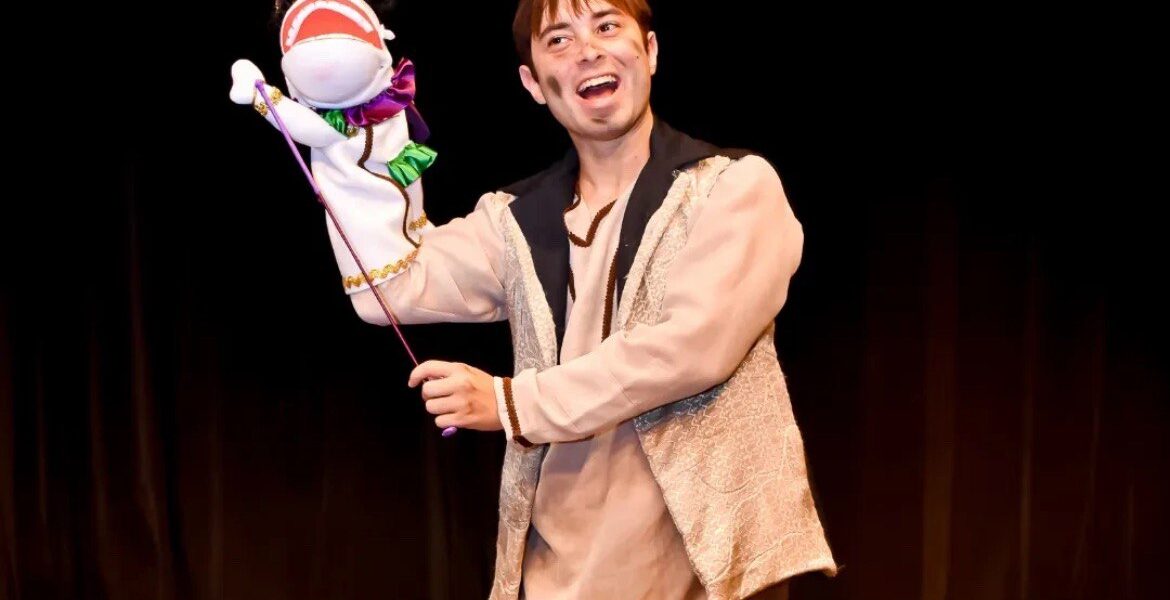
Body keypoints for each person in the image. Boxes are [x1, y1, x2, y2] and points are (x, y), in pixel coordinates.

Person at [325, 1, 836, 597]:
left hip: (702, 576)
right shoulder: (513, 221)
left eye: (607, 26)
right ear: (533, 82)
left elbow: (691, 348)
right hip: (557, 576)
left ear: (650, 51)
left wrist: (511, 403)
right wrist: (357, 131)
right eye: (559, 40)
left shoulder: (732, 187)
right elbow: (389, 286)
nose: (588, 50)